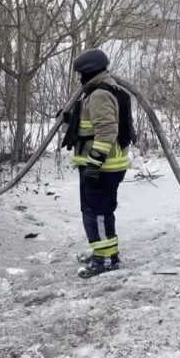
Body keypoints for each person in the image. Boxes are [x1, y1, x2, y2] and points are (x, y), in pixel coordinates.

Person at [70, 48, 131, 278]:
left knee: (99, 213)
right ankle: (101, 252)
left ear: (88, 71)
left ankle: (106, 260)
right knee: (94, 211)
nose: (79, 78)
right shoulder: (99, 90)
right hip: (102, 167)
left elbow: (106, 131)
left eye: (80, 73)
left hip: (103, 167)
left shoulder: (99, 94)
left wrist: (95, 163)